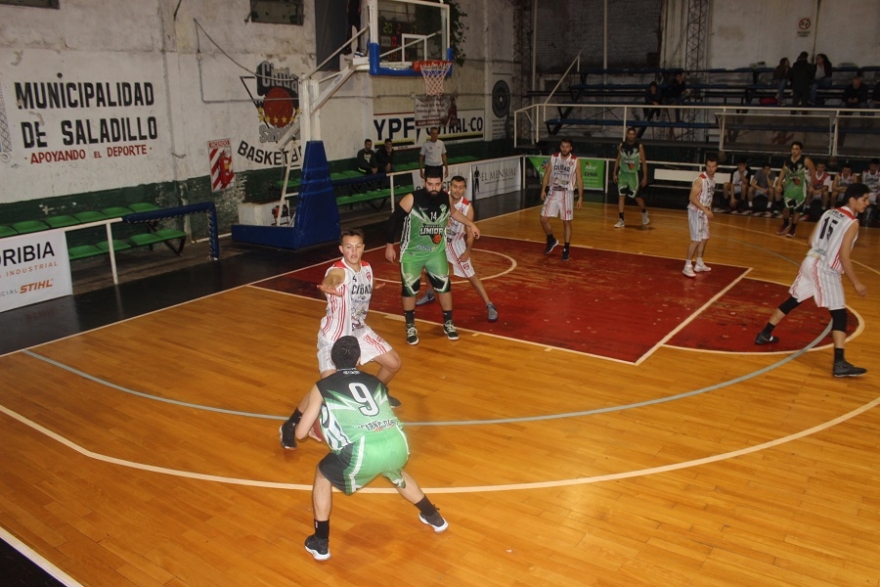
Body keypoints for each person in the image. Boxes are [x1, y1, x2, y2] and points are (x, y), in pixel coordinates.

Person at [296, 336, 448, 561]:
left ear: (333, 360)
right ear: (359, 359)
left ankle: (320, 542)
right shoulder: (376, 382)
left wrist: (315, 428)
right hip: (398, 443)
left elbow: (299, 434)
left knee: (322, 474)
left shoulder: (322, 387)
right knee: (394, 470)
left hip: (364, 452)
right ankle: (434, 517)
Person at [279, 229, 402, 449]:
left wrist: (373, 286)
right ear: (341, 249)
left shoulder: (367, 268)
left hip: (358, 331)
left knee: (393, 363)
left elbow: (363, 282)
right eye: (348, 247)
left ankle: (377, 393)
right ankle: (291, 424)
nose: (353, 251)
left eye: (357, 246)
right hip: (334, 335)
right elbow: (333, 278)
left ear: (364, 247)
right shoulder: (338, 271)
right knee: (327, 386)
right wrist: (329, 285)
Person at [754, 183, 870, 378]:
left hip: (810, 261)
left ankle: (765, 333)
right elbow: (843, 256)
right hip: (825, 270)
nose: (867, 203)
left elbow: (810, 240)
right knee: (840, 314)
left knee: (793, 300)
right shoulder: (852, 222)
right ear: (853, 199)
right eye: (864, 199)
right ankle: (839, 363)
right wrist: (856, 282)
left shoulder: (829, 212)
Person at [385, 169, 481, 345]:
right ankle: (410, 325)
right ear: (424, 183)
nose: (434, 188)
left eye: (437, 184)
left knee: (444, 287)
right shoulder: (412, 198)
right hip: (412, 253)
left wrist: (470, 224)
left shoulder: (445, 197)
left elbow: (453, 213)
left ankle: (448, 322)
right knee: (409, 290)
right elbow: (393, 220)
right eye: (430, 184)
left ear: (442, 184)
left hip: (435, 253)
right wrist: (389, 245)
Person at [415, 176, 498, 322]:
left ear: (464, 189)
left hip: (456, 243)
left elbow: (470, 232)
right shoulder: (441, 197)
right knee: (427, 267)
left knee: (470, 275)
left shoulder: (467, 208)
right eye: (454, 186)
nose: (457, 190)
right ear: (450, 186)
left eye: (460, 187)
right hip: (439, 240)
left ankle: (489, 304)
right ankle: (429, 293)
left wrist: (467, 251)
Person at [539, 138, 583, 261]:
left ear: (571, 148)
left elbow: (579, 179)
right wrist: (543, 190)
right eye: (563, 146)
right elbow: (547, 174)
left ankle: (566, 248)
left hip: (566, 193)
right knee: (543, 219)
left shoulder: (575, 161)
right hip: (553, 191)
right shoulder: (553, 157)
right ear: (560, 146)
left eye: (567, 146)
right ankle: (551, 239)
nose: (564, 148)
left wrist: (580, 197)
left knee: (566, 222)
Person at [682, 155, 717, 278]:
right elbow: (692, 198)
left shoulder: (712, 181)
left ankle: (699, 262)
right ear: (705, 166)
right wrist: (705, 210)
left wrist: (709, 210)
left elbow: (709, 197)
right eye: (709, 166)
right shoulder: (700, 180)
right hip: (696, 211)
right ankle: (687, 266)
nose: (711, 169)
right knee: (696, 239)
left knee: (705, 237)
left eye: (713, 166)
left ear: (716, 167)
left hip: (704, 212)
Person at [774, 141, 815, 238]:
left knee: (797, 210)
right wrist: (779, 183)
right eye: (792, 149)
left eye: (796, 149)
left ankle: (793, 228)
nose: (794, 151)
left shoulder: (806, 160)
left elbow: (813, 172)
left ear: (800, 150)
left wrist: (812, 185)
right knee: (786, 207)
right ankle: (785, 223)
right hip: (789, 187)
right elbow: (783, 171)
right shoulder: (787, 160)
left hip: (801, 188)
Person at [612, 128, 649, 227]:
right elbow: (618, 159)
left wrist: (645, 177)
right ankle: (621, 220)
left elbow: (644, 162)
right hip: (623, 174)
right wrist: (614, 173)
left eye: (633, 134)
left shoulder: (639, 146)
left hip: (634, 175)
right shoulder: (622, 145)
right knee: (621, 196)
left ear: (635, 135)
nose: (631, 136)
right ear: (627, 135)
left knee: (636, 197)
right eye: (630, 134)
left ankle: (644, 212)